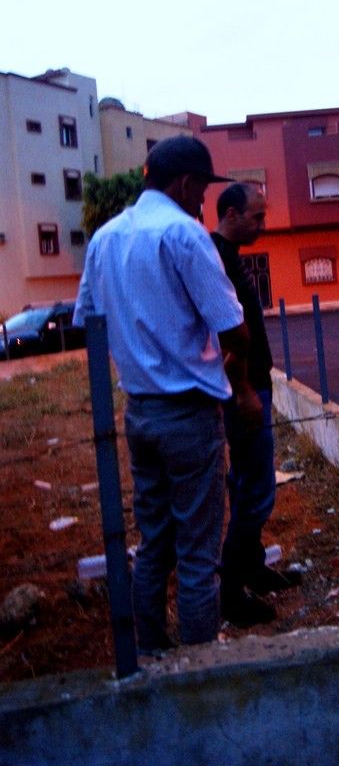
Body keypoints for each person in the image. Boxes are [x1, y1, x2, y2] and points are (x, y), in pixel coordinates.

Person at [74, 136, 262, 655]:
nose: (203, 200)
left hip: (140, 414)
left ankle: (152, 657)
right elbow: (234, 328)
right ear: (184, 183)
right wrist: (241, 386)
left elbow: (88, 324)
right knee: (199, 555)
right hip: (189, 416)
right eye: (201, 189)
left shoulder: (105, 239)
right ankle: (199, 670)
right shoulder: (184, 234)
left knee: (153, 544)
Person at [211, 182, 301, 628]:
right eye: (257, 217)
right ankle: (231, 594)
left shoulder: (229, 256)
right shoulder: (215, 258)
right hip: (242, 390)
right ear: (231, 213)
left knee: (248, 484)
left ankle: (251, 568)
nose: (263, 225)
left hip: (250, 385)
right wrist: (243, 390)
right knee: (255, 490)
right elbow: (227, 333)